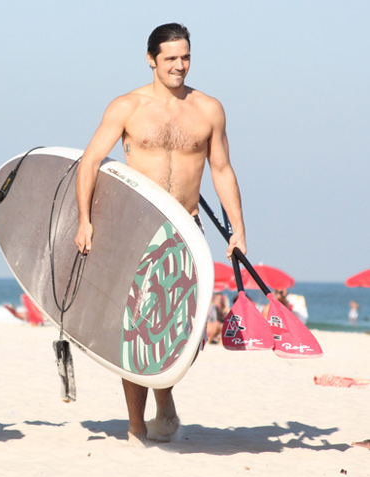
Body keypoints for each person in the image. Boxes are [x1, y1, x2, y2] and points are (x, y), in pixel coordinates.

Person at [74, 23, 246, 445]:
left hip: (187, 227)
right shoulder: (127, 106)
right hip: (137, 227)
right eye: (170, 58)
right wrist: (84, 219)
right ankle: (136, 424)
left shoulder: (208, 109)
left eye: (185, 57)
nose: (179, 66)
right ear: (151, 59)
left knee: (178, 330)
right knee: (134, 328)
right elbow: (90, 161)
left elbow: (221, 169)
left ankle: (164, 396)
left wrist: (238, 229)